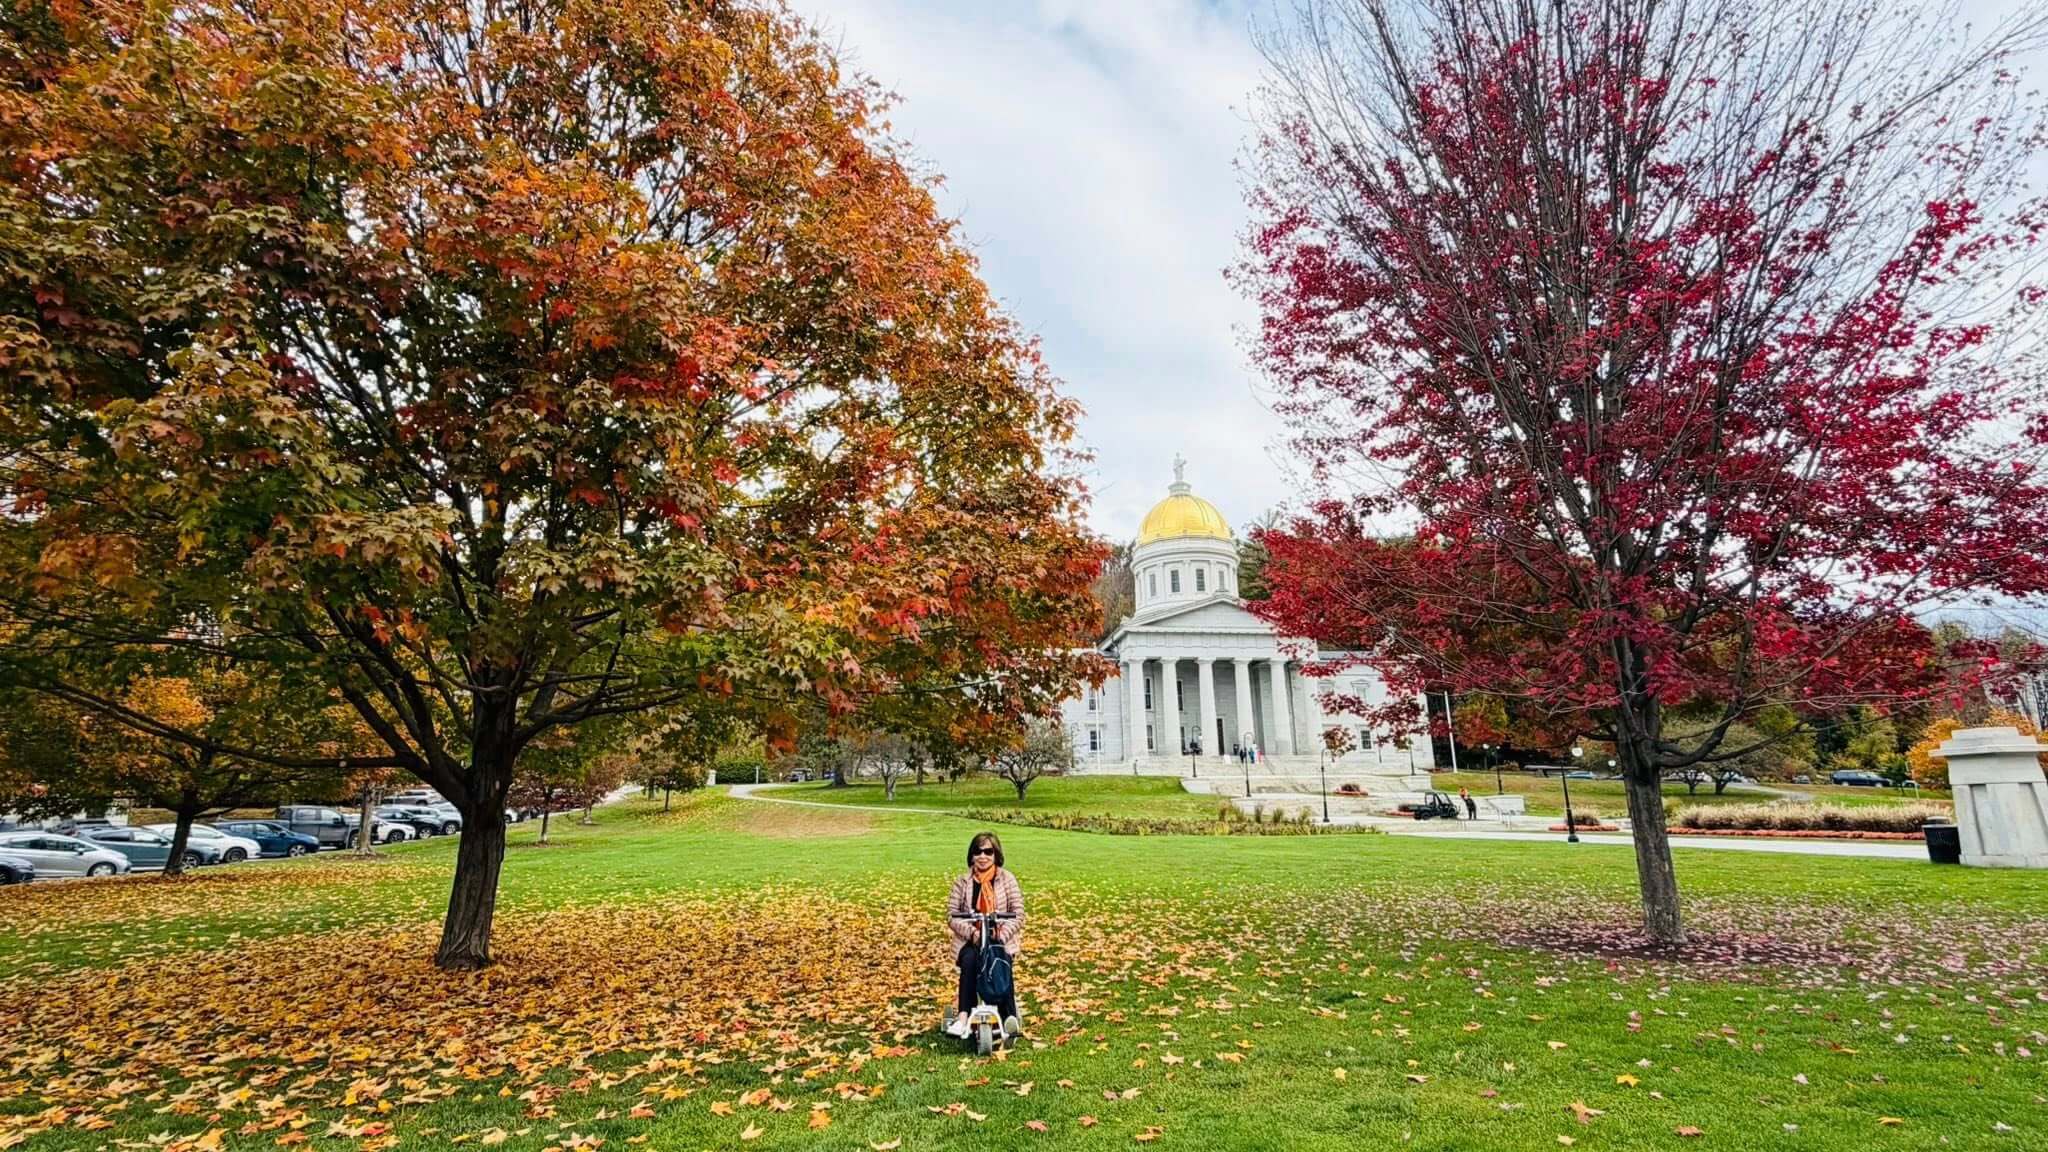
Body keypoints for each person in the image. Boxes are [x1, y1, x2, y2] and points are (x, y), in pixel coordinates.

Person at [946, 831, 1025, 1040]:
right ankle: (963, 1017)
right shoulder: (962, 882)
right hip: (970, 938)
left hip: (999, 939)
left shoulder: (1007, 879)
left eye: (988, 852)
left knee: (1000, 961)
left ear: (996, 854)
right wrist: (972, 932)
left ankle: (1009, 1016)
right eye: (978, 852)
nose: (983, 856)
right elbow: (952, 916)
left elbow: (1018, 914)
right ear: (971, 856)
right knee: (971, 960)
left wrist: (1001, 933)